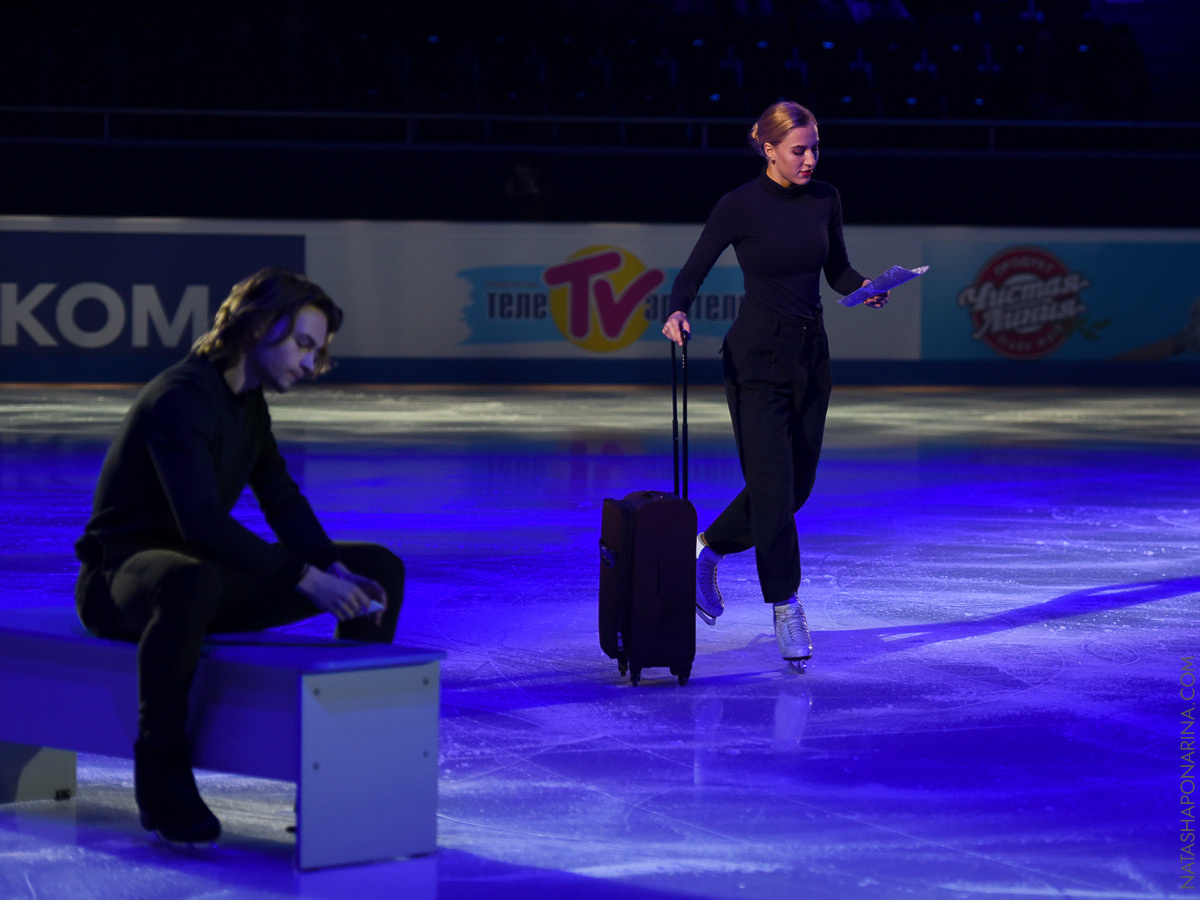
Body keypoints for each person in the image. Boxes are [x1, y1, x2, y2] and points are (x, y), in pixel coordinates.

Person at [73, 267, 404, 844]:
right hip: (120, 580)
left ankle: (343, 776)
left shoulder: (247, 403)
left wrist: (329, 567)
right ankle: (160, 772)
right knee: (189, 580)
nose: (310, 363)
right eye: (303, 344)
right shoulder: (181, 398)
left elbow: (280, 496)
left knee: (378, 568)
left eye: (318, 350)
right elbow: (198, 522)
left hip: (194, 580)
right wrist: (305, 580)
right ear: (257, 326)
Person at [661, 100, 888, 671]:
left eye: (815, 148)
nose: (810, 159)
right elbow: (692, 271)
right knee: (772, 487)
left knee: (794, 489)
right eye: (799, 150)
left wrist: (864, 286)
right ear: (769, 150)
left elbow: (835, 268)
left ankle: (705, 549)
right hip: (756, 360)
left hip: (811, 356)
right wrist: (676, 311)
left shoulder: (826, 198)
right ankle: (786, 606)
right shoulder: (738, 206)